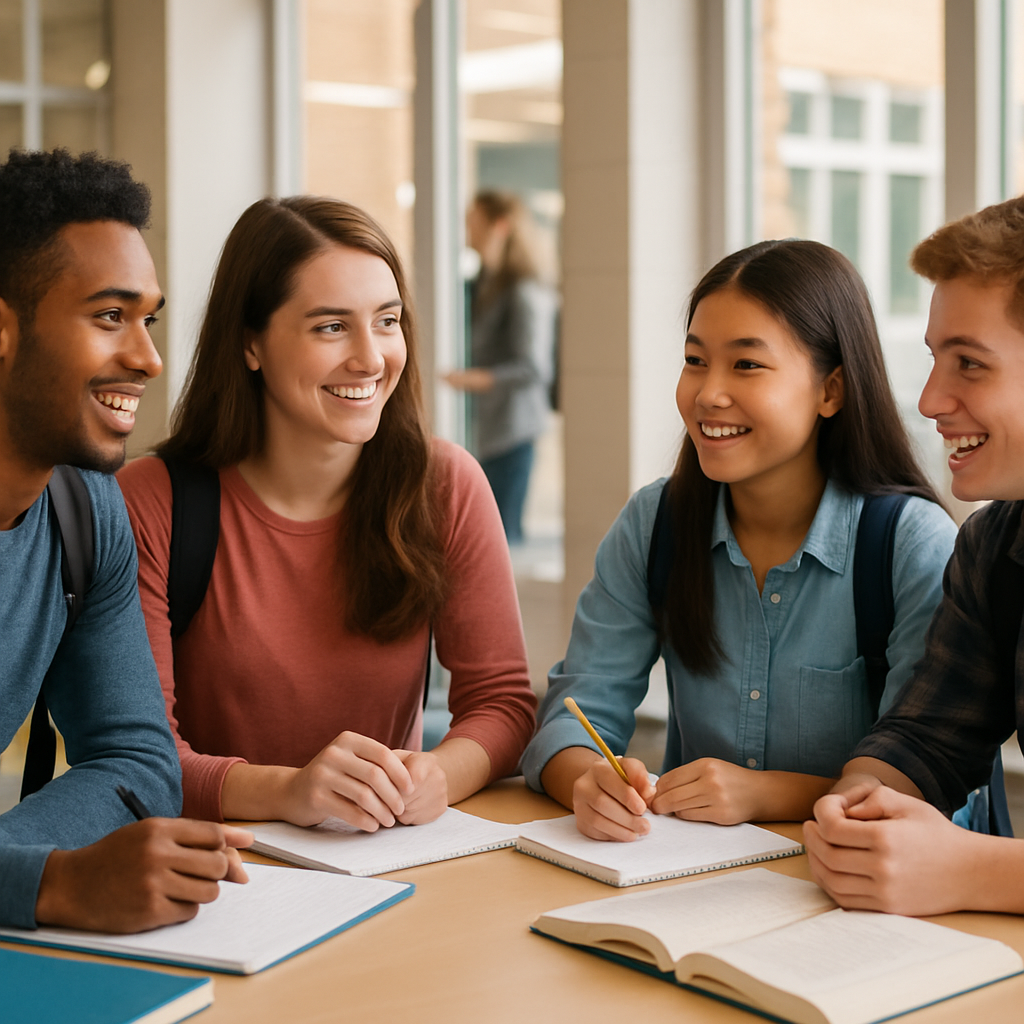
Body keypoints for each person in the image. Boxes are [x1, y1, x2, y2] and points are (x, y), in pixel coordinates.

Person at [118, 196, 538, 830]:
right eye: (331, 326)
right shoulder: (151, 503)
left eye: (387, 321)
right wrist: (289, 793)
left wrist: (439, 775)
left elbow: (502, 705)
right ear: (251, 344)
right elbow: (140, 758)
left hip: (384, 864)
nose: (371, 358)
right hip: (216, 879)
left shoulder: (444, 485)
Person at [521, 239, 957, 842]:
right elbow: (573, 717)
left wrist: (766, 792)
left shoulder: (911, 544)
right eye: (695, 360)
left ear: (831, 390)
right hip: (691, 883)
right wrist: (588, 780)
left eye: (746, 365)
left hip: (867, 893)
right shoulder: (656, 522)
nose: (707, 394)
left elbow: (925, 773)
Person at [0, 148, 250, 933]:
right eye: (109, 317)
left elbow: (137, 766)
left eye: (148, 319)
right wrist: (48, 885)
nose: (147, 358)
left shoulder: (85, 511)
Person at [804, 195, 1024, 916]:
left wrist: (974, 872)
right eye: (935, 359)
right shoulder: (993, 546)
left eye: (969, 364)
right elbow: (930, 737)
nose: (930, 400)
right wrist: (858, 811)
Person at [442, 190, 556, 543]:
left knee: (502, 541)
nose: (466, 230)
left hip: (513, 432)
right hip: (488, 431)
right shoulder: (482, 284)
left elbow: (535, 368)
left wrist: (479, 379)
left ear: (499, 226)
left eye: (473, 222)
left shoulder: (522, 289)